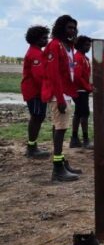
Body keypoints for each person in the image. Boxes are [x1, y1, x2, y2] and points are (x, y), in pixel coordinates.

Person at [41, 15, 81, 182]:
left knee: (59, 126)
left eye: (73, 28)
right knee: (61, 128)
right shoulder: (54, 46)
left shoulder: (69, 46)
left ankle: (61, 161)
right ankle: (57, 168)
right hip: (58, 94)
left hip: (66, 92)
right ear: (60, 28)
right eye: (68, 28)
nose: (71, 31)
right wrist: (60, 98)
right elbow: (53, 74)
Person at [21, 25, 51, 159]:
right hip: (35, 91)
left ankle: (32, 146)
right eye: (44, 38)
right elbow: (39, 76)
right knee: (37, 117)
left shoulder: (37, 51)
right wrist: (47, 90)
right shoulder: (35, 53)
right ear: (36, 39)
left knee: (38, 116)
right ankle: (31, 148)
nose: (47, 40)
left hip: (36, 91)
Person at [70, 36, 93, 149]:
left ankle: (74, 139)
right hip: (80, 90)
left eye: (89, 45)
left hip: (83, 89)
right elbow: (77, 76)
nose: (88, 47)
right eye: (86, 45)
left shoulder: (85, 58)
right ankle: (85, 139)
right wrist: (88, 87)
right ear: (79, 45)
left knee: (79, 113)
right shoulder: (77, 57)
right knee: (84, 114)